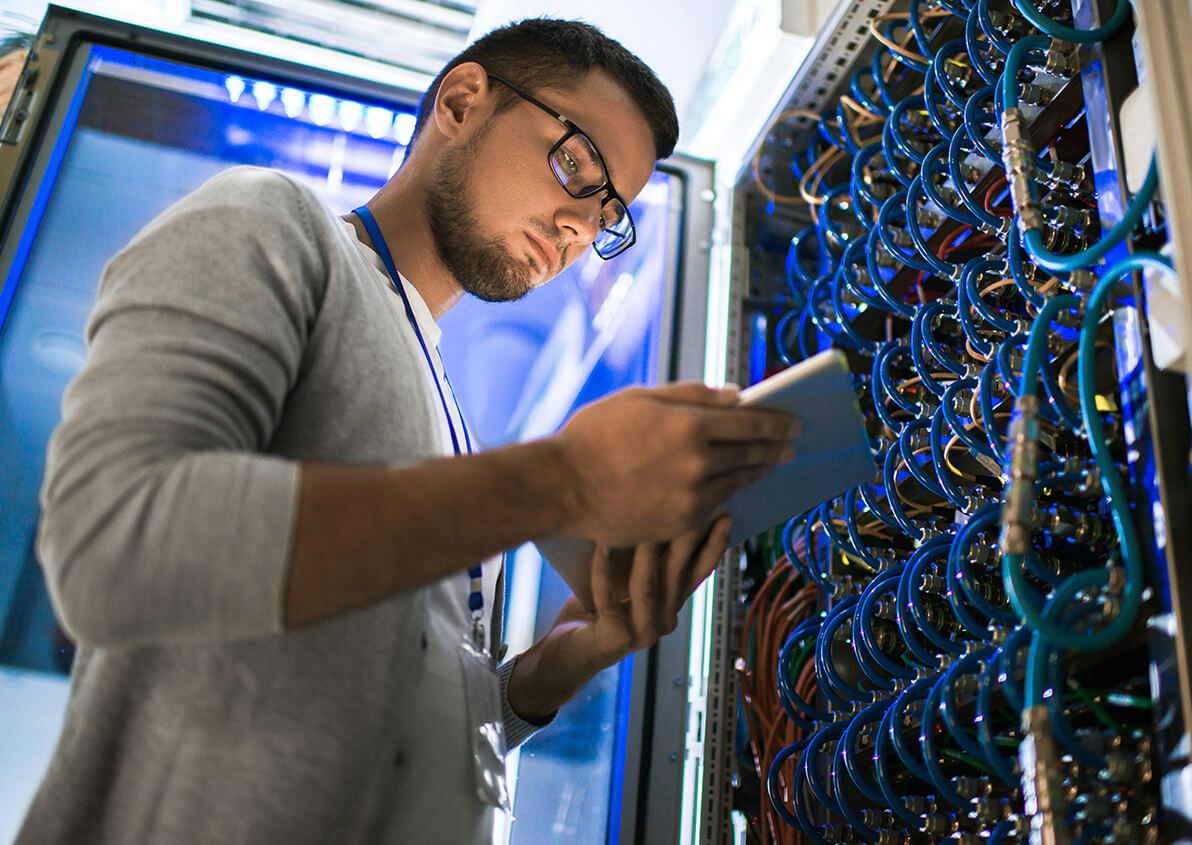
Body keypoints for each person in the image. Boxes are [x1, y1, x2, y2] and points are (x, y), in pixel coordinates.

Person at [17, 18, 797, 845]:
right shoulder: (272, 224)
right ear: (461, 102)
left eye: (609, 214)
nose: (579, 227)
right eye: (577, 164)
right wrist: (557, 481)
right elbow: (115, 543)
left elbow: (405, 724)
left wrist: (553, 666)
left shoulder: (449, 414)